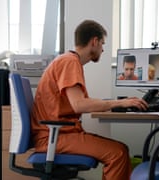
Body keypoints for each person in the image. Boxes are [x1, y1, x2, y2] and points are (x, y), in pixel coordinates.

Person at [30, 20, 148, 180]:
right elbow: (79, 105)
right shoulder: (70, 62)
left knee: (120, 150)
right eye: (102, 44)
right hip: (54, 138)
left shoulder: (68, 60)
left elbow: (78, 102)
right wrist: (120, 102)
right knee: (118, 153)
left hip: (58, 135)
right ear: (94, 41)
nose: (103, 49)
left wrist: (113, 103)